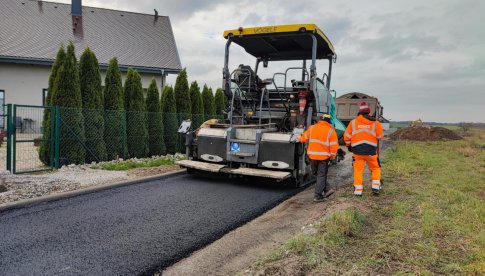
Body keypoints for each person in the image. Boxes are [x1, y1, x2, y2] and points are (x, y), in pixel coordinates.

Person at [294, 114, 339, 202]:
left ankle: (327, 189)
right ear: (328, 122)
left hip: (312, 157)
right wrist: (332, 156)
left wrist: (298, 137)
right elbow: (334, 146)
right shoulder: (331, 131)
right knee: (321, 175)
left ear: (320, 120)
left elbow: (304, 138)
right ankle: (318, 196)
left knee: (316, 174)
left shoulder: (312, 128)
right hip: (324, 158)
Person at [344, 102, 384, 196]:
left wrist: (349, 146)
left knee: (358, 170)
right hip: (371, 152)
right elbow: (380, 136)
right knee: (375, 168)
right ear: (368, 112)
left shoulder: (353, 122)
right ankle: (375, 186)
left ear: (360, 112)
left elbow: (346, 137)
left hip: (357, 152)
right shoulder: (375, 123)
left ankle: (358, 191)